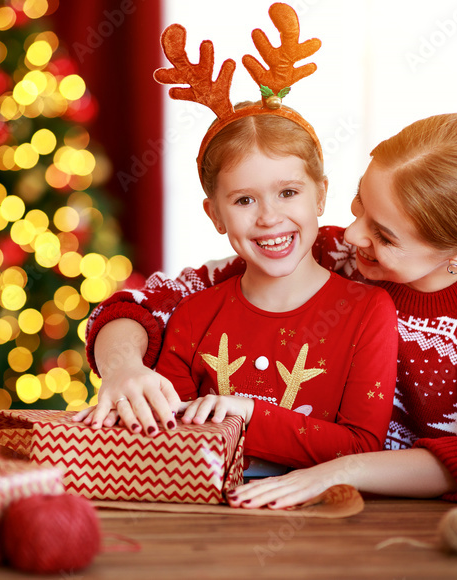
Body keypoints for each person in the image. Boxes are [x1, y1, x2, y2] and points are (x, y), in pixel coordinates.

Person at [76, 112, 457, 504]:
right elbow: (151, 302)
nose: (353, 234)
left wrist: (342, 469)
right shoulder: (331, 253)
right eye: (359, 206)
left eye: (383, 234)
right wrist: (122, 367)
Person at [150, 100, 398, 469]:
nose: (268, 218)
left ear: (321, 195)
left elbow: (360, 449)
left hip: (324, 518)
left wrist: (247, 413)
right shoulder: (191, 317)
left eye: (288, 193)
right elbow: (174, 446)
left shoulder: (368, 311)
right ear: (215, 213)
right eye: (244, 200)